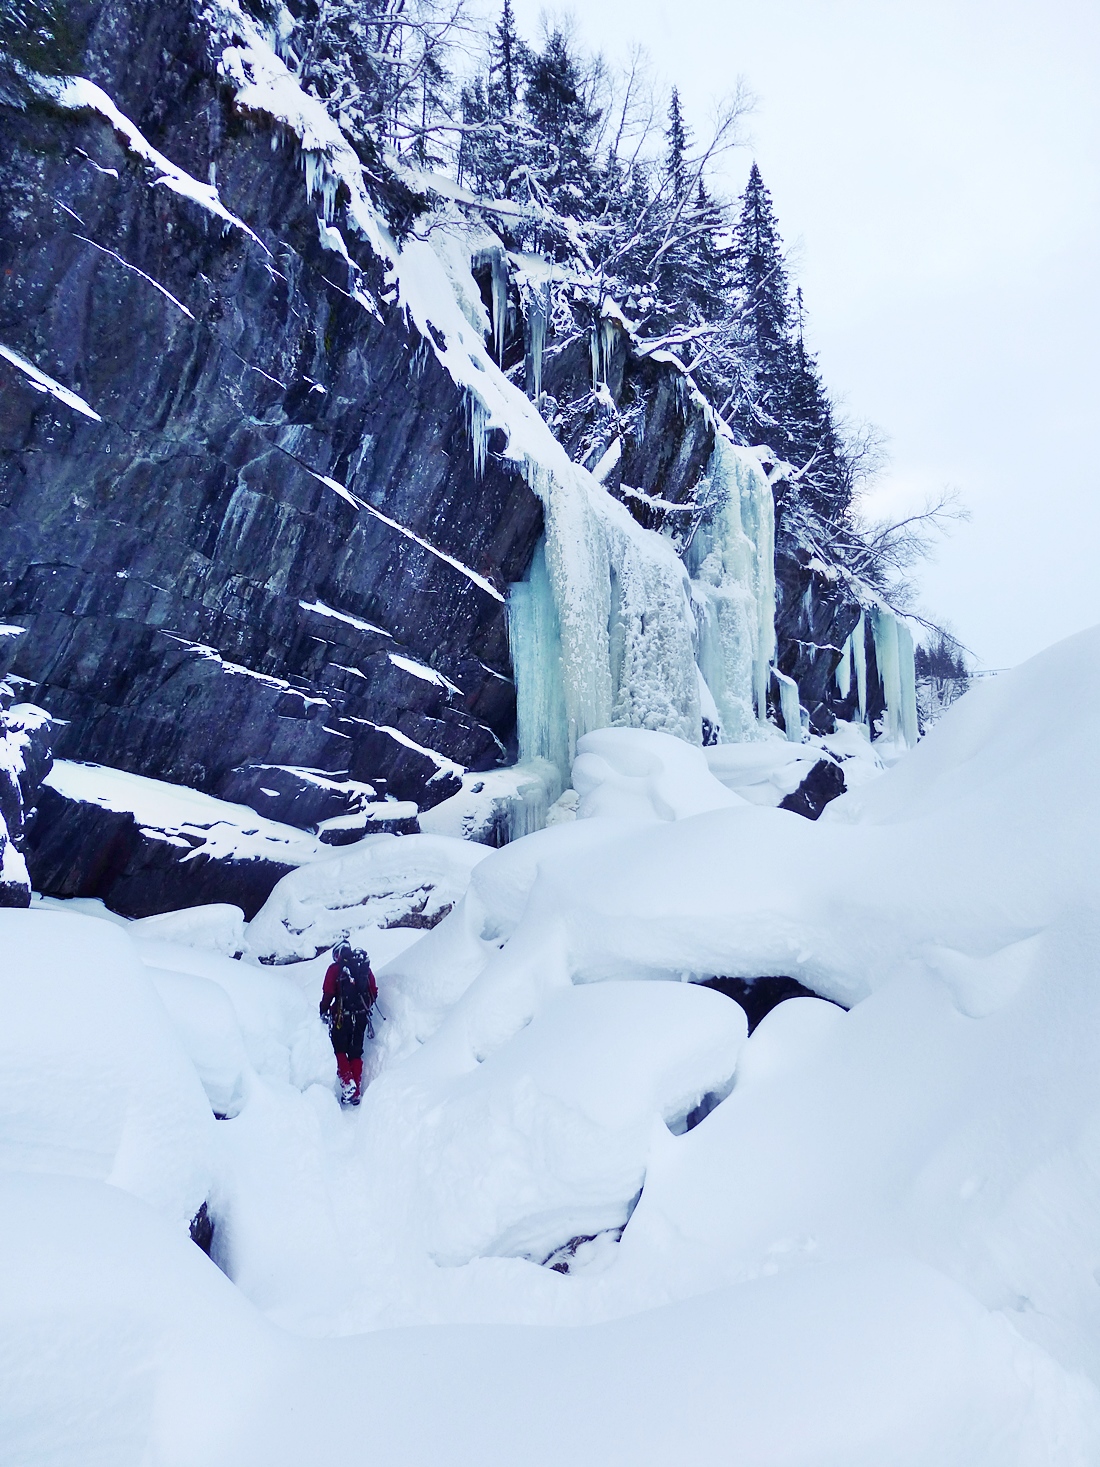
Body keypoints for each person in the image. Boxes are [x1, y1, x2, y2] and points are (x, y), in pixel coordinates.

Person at [320, 939, 378, 1105]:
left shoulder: (334, 969)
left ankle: (347, 1083)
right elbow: (373, 991)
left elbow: (328, 994)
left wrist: (323, 1010)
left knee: (339, 1049)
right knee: (355, 1052)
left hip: (341, 1017)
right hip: (361, 1017)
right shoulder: (363, 967)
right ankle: (355, 1091)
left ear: (337, 954)